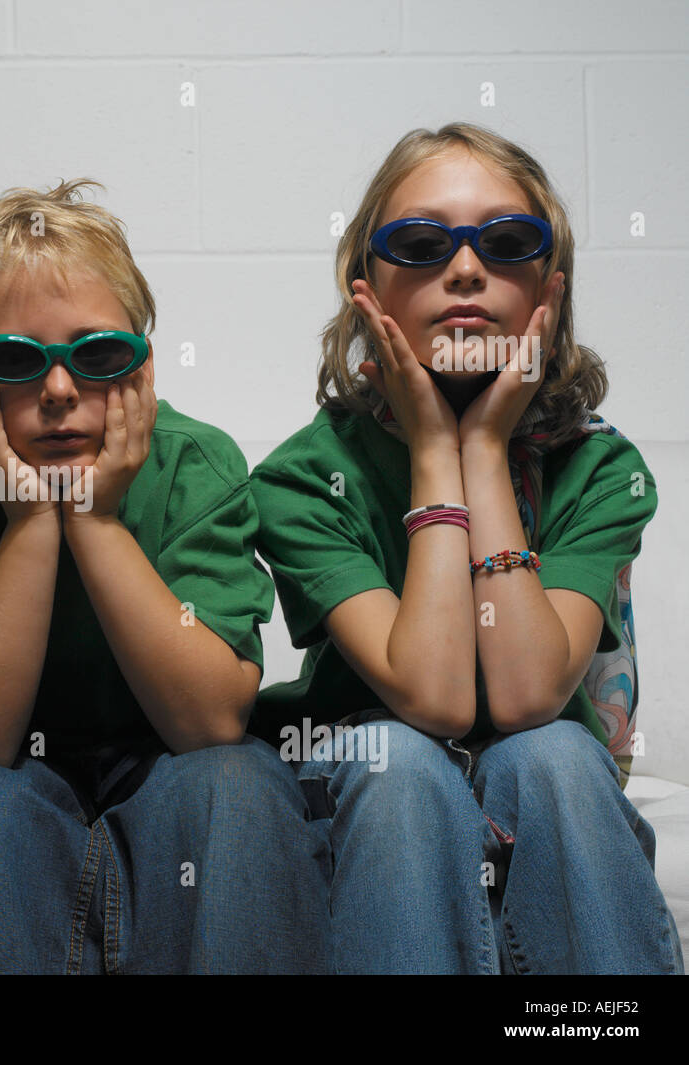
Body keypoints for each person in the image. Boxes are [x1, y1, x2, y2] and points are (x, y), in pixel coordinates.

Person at [250, 122, 683, 974]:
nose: (465, 268)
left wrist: (482, 448)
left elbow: (525, 696)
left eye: (507, 241)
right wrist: (430, 453)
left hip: (544, 770)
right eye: (418, 242)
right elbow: (436, 699)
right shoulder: (303, 479)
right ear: (364, 291)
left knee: (557, 752)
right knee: (403, 759)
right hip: (370, 769)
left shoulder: (602, 468)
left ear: (547, 292)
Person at [0, 180, 328, 974]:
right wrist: (31, 519)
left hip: (171, 769)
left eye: (98, 355)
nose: (58, 390)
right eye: (13, 360)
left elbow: (212, 719)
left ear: (142, 370)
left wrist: (97, 518)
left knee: (241, 783)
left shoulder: (195, 465)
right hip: (3, 777)